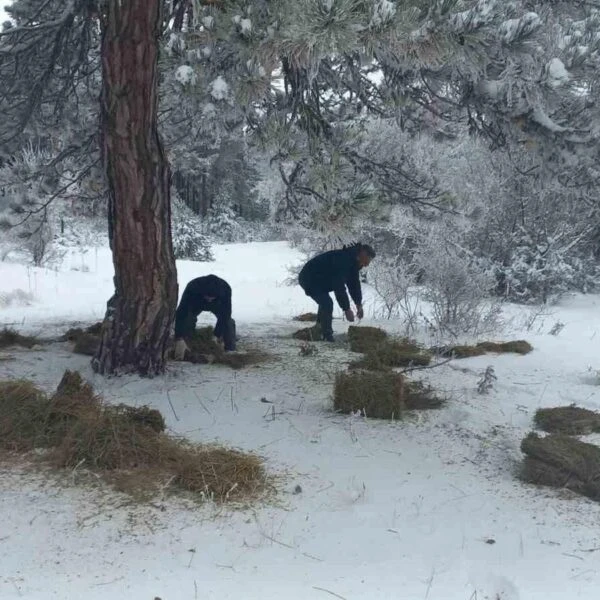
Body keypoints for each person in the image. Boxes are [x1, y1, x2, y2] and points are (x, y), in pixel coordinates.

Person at [298, 243, 376, 342]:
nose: (367, 264)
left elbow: (354, 285)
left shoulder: (353, 263)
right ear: (363, 254)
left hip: (321, 281)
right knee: (327, 303)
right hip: (309, 278)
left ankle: (319, 329)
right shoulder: (343, 260)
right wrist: (346, 309)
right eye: (368, 260)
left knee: (325, 302)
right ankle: (326, 335)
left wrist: (358, 304)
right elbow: (339, 287)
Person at [173, 274, 236, 360]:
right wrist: (179, 337)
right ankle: (188, 342)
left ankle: (230, 349)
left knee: (229, 322)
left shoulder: (225, 289)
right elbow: (181, 312)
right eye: (208, 297)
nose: (209, 300)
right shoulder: (192, 287)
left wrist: (216, 335)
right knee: (188, 319)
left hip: (217, 304)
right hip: (196, 303)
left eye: (212, 298)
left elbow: (226, 314)